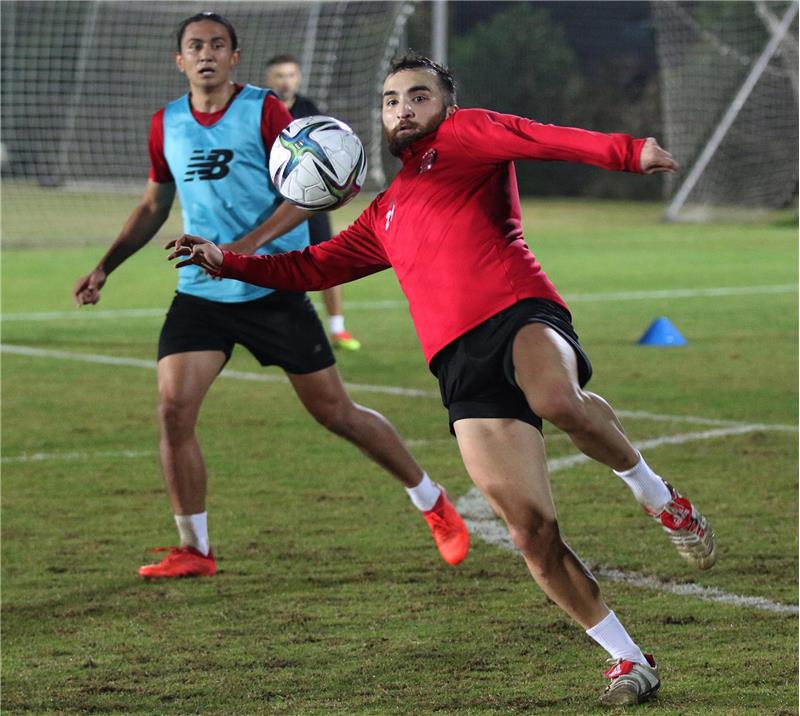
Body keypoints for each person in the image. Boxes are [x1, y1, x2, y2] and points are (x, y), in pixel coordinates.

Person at [169, 53, 718, 706]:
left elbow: (541, 137)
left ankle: (657, 496)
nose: (403, 108)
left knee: (555, 398)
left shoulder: (466, 136)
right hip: (457, 363)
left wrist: (628, 153)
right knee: (530, 533)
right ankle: (629, 660)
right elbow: (314, 267)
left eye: (418, 95)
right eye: (391, 99)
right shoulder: (385, 211)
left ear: (446, 106)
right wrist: (229, 262)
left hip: (518, 311)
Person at [73, 20, 469, 580]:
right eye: (195, 47)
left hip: (271, 287)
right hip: (201, 294)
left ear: (234, 57)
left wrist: (243, 247)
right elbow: (153, 205)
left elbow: (311, 191)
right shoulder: (166, 124)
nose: (206, 55)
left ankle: (430, 498)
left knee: (336, 413)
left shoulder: (263, 111)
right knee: (173, 411)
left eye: (217, 46)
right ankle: (194, 548)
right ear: (179, 60)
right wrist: (104, 266)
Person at [264, 53, 361, 351]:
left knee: (325, 260)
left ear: (299, 78)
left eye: (291, 75)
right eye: (280, 75)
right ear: (269, 79)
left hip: (311, 201)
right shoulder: (260, 110)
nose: (286, 81)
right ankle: (271, 328)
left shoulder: (309, 111)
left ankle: (337, 329)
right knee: (270, 264)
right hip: (270, 201)